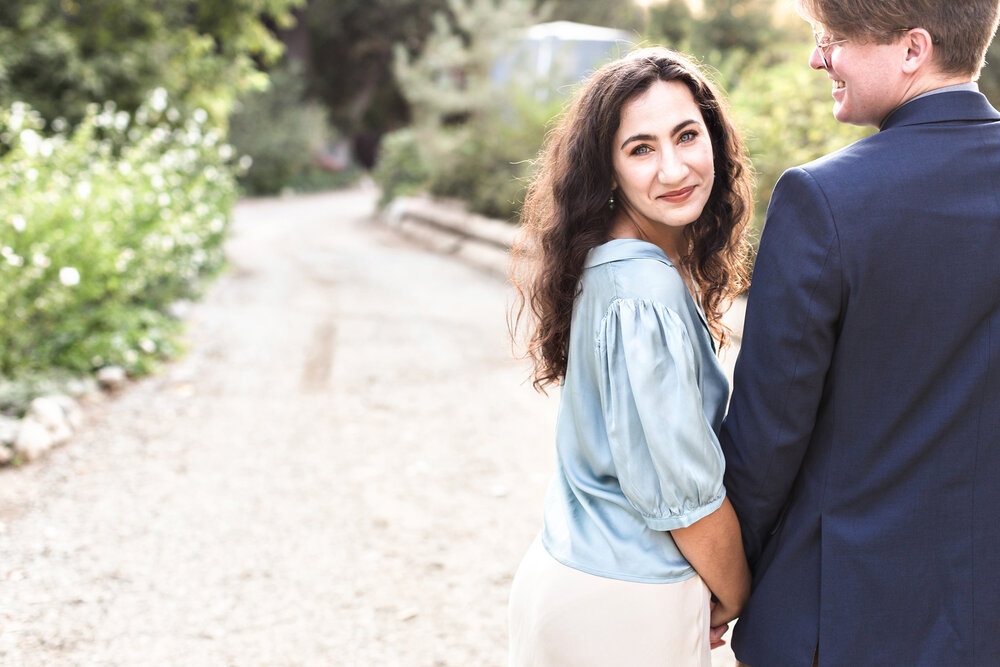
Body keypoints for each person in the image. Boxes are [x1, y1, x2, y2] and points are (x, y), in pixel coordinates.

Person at [719, 1, 1000, 665]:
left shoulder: (823, 200)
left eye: (834, 39)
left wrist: (725, 574)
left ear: (912, 50)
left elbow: (767, 435)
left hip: (845, 616)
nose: (818, 59)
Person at [506, 47, 752, 666]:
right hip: (627, 607)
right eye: (641, 148)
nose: (673, 169)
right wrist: (738, 591)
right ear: (608, 170)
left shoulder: (606, 263)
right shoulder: (643, 290)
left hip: (569, 577)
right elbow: (682, 497)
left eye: (687, 136)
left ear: (715, 142)